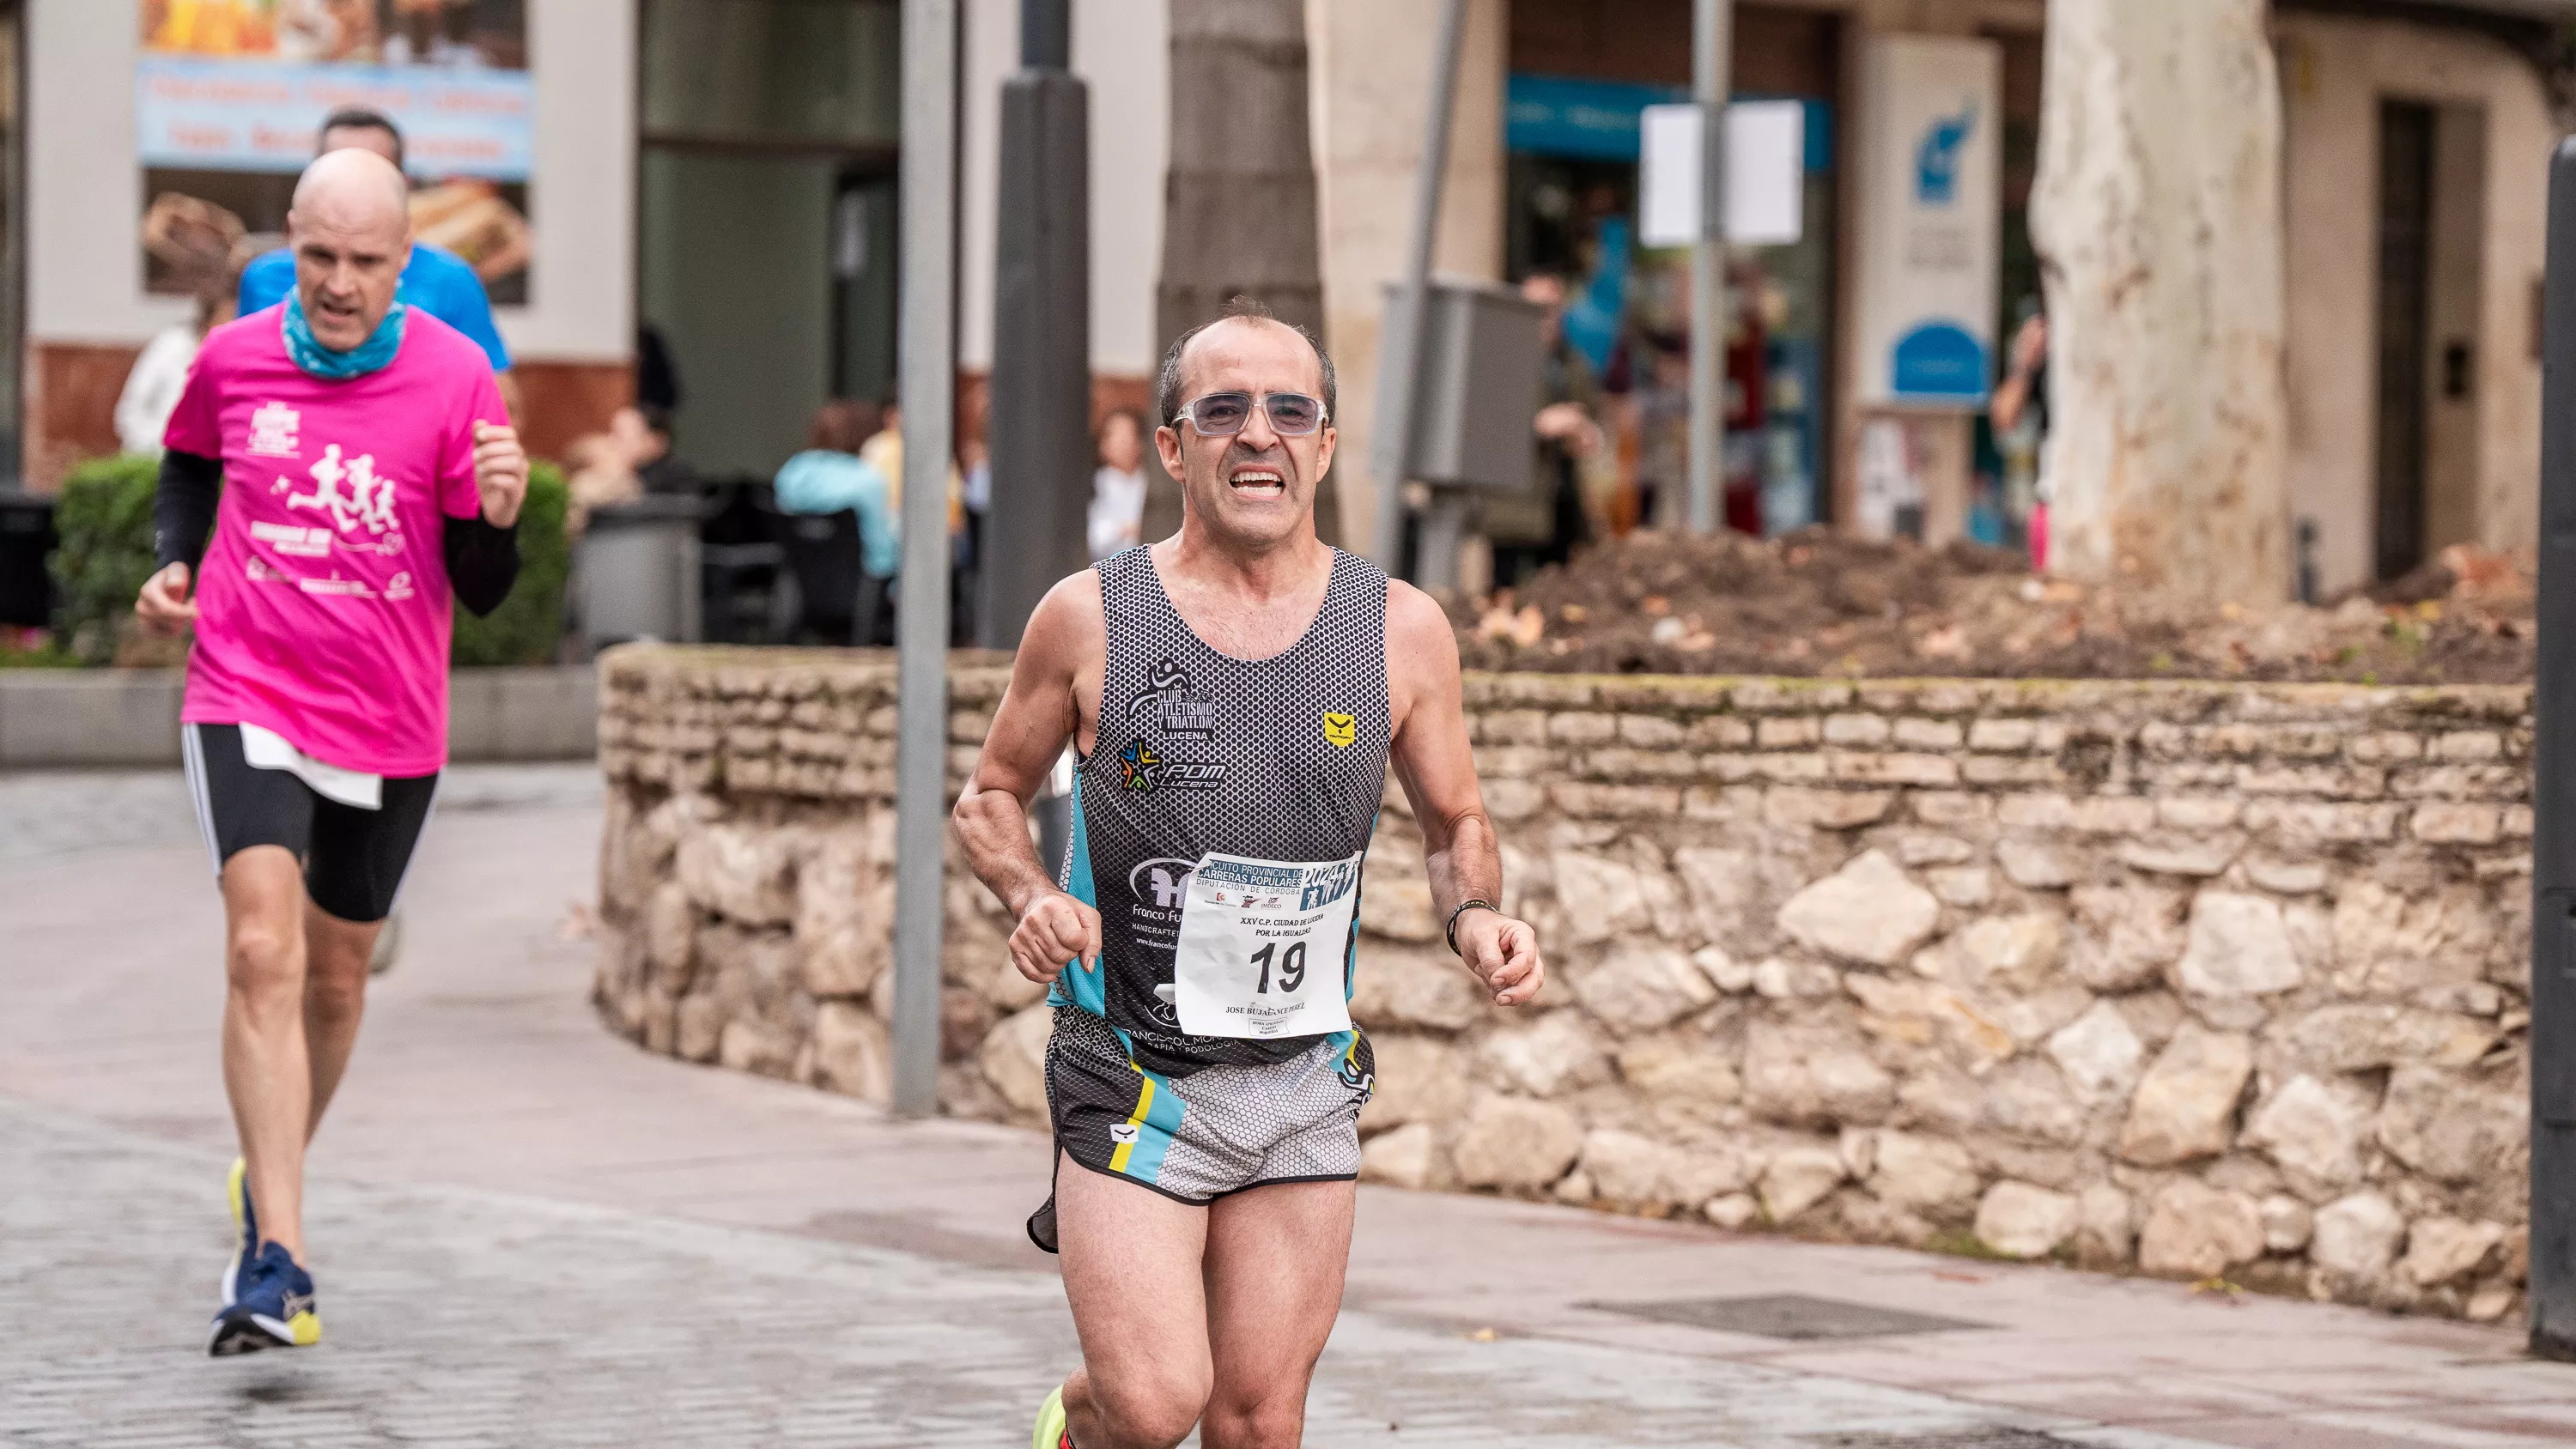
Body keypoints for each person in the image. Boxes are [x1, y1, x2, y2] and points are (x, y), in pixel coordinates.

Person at [953, 300, 1545, 1449]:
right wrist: (1032, 896)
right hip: (1131, 1067)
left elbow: (1454, 816)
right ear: (1173, 447)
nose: (1258, 434)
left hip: (1302, 1074)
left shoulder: (1400, 631)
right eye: (1221, 410)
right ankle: (1077, 1425)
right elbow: (988, 796)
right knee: (1157, 1400)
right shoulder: (1089, 619)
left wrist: (1476, 914)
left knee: (1260, 1422)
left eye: (1291, 410)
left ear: (1325, 445)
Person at [132, 148, 526, 1357]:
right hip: (245, 685)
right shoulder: (233, 356)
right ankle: (278, 1262)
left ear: (405, 264)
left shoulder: (458, 377)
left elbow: (484, 591)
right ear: (286, 247)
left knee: (339, 976)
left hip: (389, 716)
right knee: (263, 948)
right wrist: (179, 558)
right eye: (318, 257)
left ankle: (270, 1170)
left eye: (366, 262)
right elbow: (190, 465)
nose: (340, 284)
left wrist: (498, 520)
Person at [237, 106, 519, 422]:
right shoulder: (263, 278)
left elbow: (497, 407)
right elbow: (238, 387)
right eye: (338, 170)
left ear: (403, 185)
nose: (340, 285)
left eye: (368, 263)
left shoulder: (450, 280)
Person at [774, 399, 902, 580]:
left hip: (800, 589)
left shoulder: (792, 472)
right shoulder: (869, 481)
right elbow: (881, 557)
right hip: (859, 594)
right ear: (866, 435)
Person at [1085, 408, 1150, 561]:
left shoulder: (1148, 484)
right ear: (1103, 444)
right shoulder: (1096, 484)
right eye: (1117, 435)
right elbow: (1094, 537)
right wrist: (1122, 530)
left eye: (1129, 434)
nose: (1124, 442)